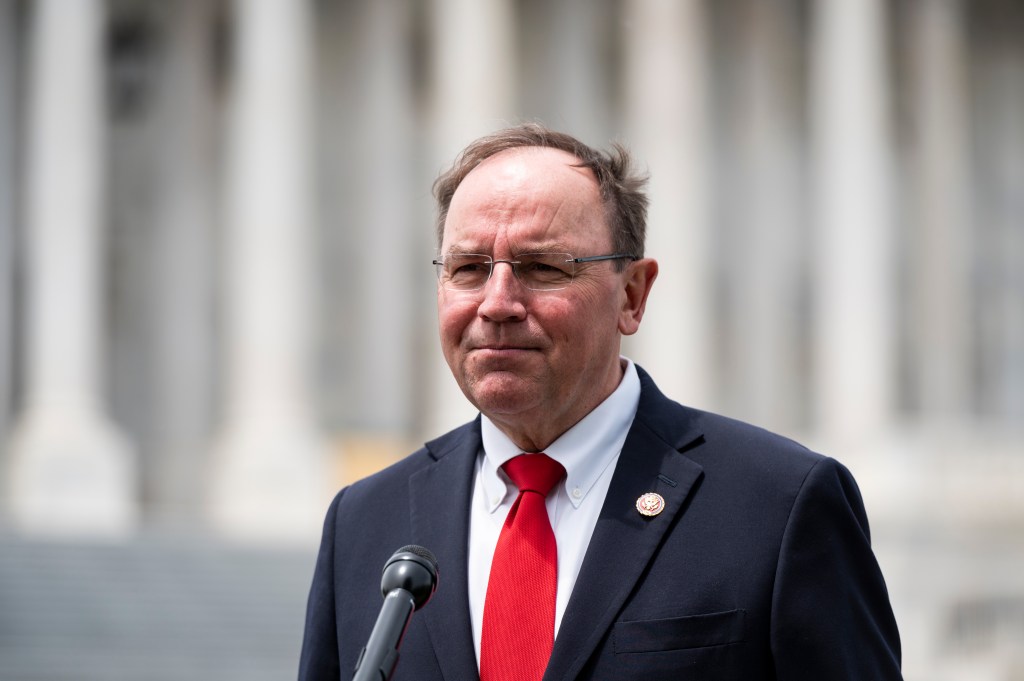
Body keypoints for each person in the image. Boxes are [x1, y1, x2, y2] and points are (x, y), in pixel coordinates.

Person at [299, 124, 902, 680]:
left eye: (541, 267)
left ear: (632, 296)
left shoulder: (778, 505)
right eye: (468, 268)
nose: (497, 302)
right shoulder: (364, 524)